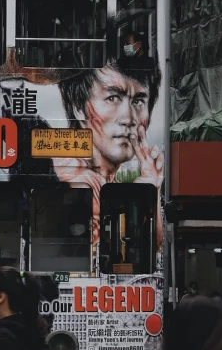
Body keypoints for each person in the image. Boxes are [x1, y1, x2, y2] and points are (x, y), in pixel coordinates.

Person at [56, 58, 164, 248]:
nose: (129, 118)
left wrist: (150, 190)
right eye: (113, 98)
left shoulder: (104, 182)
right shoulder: (80, 183)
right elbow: (118, 261)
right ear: (78, 107)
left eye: (138, 101)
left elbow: (155, 254)